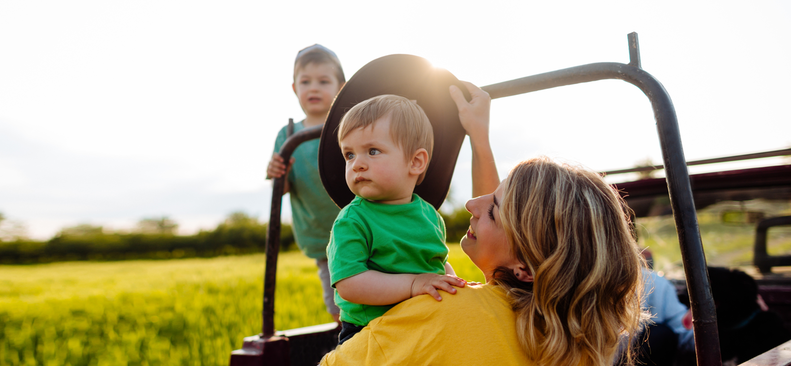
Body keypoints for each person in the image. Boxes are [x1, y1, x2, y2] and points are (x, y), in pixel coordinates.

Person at [320, 82, 647, 366]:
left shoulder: (446, 314)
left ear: (526, 269)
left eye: (493, 210)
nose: (472, 204)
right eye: (349, 154)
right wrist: (478, 135)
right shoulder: (575, 342)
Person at [326, 94, 466, 344]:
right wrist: (414, 283)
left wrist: (452, 283)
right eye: (349, 155)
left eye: (372, 151)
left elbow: (435, 263)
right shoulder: (353, 220)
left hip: (425, 324)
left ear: (415, 162)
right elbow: (350, 283)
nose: (357, 164)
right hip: (371, 332)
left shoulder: (428, 214)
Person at [265, 44, 347, 322]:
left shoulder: (350, 126)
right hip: (323, 238)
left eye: (324, 81)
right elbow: (283, 187)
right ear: (294, 88)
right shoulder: (288, 135)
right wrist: (278, 171)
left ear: (341, 86)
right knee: (341, 306)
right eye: (305, 82)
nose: (314, 88)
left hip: (367, 227)